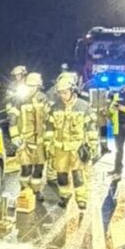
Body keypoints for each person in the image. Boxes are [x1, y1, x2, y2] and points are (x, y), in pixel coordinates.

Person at [45, 72, 94, 209]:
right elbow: (49, 127)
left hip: (77, 147)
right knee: (61, 176)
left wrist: (93, 145)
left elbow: (90, 127)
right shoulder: (55, 107)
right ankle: (65, 196)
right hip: (60, 148)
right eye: (60, 93)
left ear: (72, 90)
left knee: (78, 175)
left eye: (65, 92)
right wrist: (48, 144)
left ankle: (81, 199)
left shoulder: (83, 106)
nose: (62, 95)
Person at [12, 72, 50, 195]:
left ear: (38, 86)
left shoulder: (43, 98)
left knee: (39, 168)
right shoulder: (20, 100)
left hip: (40, 141)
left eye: (33, 86)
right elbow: (13, 117)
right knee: (26, 167)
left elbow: (48, 118)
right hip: (25, 140)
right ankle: (24, 189)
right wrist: (14, 135)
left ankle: (36, 191)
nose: (30, 89)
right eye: (28, 86)